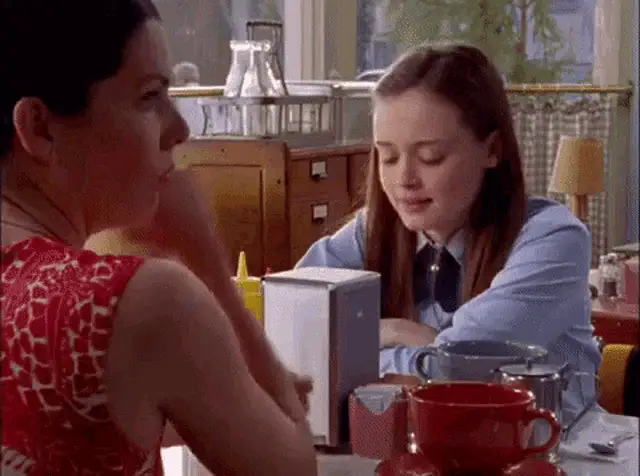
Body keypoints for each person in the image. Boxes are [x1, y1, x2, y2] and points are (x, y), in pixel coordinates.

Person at [0, 1, 317, 474]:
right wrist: (206, 263)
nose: (180, 129)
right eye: (150, 97)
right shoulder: (137, 302)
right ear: (39, 128)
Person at [297, 44, 601, 423]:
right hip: (423, 443)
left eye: (431, 157)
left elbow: (461, 367)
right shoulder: (370, 231)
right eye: (388, 156)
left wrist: (373, 341)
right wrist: (407, 336)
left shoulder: (554, 238)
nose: (404, 179)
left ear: (492, 149)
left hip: (556, 446)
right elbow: (295, 325)